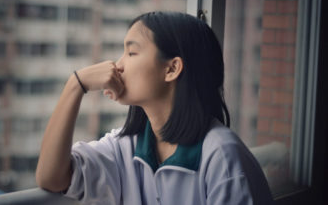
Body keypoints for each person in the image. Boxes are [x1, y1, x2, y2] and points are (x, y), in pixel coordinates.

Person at [36, 11, 274, 205]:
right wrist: (75, 85)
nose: (117, 66)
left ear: (172, 69)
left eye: (131, 52)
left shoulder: (222, 157)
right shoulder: (125, 147)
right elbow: (51, 177)